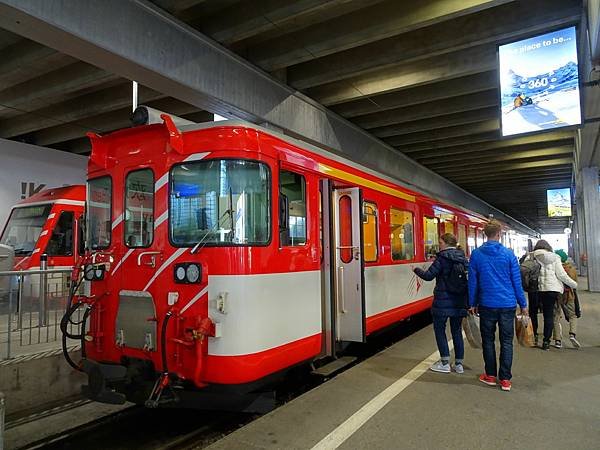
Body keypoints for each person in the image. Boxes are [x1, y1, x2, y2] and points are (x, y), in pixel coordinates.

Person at [468, 220, 528, 392]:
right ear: (499, 234)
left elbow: (473, 282)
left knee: (488, 340)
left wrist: (472, 302)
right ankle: (506, 380)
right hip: (508, 304)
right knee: (506, 342)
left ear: (484, 234)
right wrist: (523, 304)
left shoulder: (477, 254)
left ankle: (490, 376)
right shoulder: (509, 254)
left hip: (487, 304)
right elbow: (516, 282)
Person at [414, 233, 468, 374]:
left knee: (440, 330)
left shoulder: (441, 259)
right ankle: (459, 364)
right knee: (456, 331)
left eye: (440, 242)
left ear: (444, 243)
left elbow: (428, 276)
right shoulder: (463, 258)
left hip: (442, 302)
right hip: (459, 301)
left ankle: (444, 362)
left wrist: (416, 269)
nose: (439, 244)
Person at [530, 241, 577, 351]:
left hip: (536, 289)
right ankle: (546, 342)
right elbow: (561, 275)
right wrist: (573, 284)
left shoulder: (531, 256)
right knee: (548, 315)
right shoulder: (555, 257)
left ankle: (534, 336)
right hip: (551, 290)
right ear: (548, 247)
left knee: (533, 313)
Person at [552, 249, 580, 349]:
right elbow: (575, 282)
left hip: (557, 295)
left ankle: (558, 340)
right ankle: (572, 334)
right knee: (572, 315)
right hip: (569, 296)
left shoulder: (554, 268)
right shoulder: (571, 269)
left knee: (556, 317)